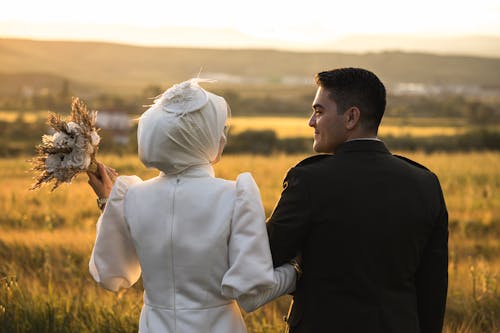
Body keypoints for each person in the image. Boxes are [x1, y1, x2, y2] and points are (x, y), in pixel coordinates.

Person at [87, 79, 297, 333]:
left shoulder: (131, 196)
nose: (223, 137)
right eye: (219, 131)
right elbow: (251, 292)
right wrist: (296, 271)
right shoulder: (235, 195)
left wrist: (109, 207)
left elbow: (111, 274)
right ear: (206, 139)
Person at [267, 68, 448, 333]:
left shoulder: (309, 181)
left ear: (351, 117)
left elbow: (265, 255)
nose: (311, 122)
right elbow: (433, 288)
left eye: (319, 111)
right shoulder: (426, 183)